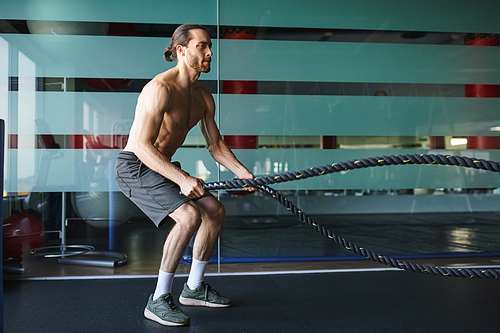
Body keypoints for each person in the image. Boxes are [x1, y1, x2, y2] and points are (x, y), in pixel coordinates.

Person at [114, 23, 255, 327]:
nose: (209, 52)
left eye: (209, 46)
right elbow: (140, 144)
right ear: (181, 50)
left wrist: (243, 174)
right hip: (134, 166)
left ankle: (194, 288)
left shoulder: (203, 97)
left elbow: (215, 145)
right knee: (189, 216)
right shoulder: (160, 89)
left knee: (214, 211)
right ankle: (158, 299)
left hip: (161, 163)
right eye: (202, 46)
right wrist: (181, 178)